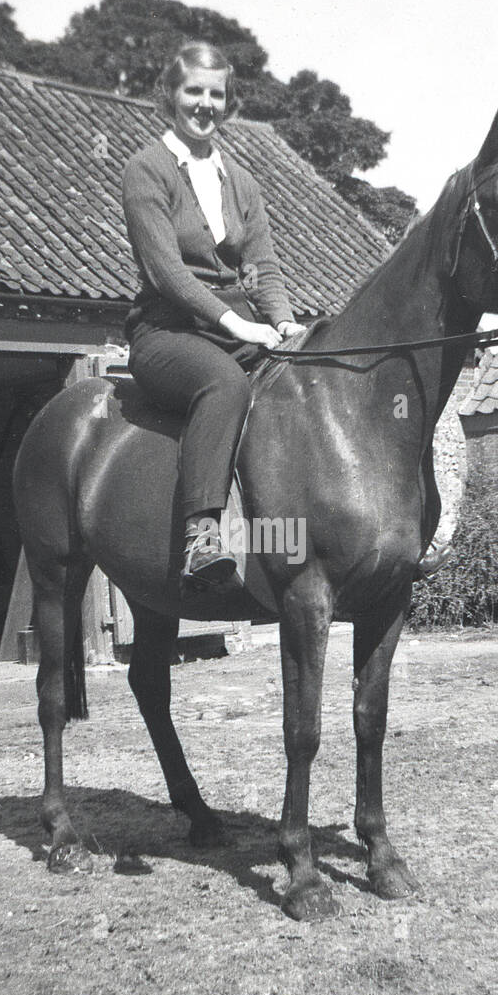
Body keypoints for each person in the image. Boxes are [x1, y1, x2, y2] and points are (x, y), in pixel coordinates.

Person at [121, 41, 307, 586]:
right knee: (226, 387)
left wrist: (284, 321)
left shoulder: (242, 182)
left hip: (239, 327)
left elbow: (262, 267)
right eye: (193, 91)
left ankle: (292, 530)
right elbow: (167, 274)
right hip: (167, 333)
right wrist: (239, 325)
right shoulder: (146, 170)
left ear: (228, 103)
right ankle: (202, 536)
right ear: (170, 96)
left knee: (305, 374)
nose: (205, 103)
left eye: (216, 94)